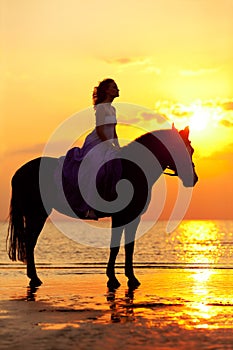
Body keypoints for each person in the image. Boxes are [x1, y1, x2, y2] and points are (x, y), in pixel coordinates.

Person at [60, 78, 122, 220]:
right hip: (96, 143)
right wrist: (109, 145)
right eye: (114, 87)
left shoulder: (113, 109)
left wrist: (118, 147)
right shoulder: (101, 108)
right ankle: (89, 208)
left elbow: (113, 130)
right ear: (106, 90)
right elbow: (100, 130)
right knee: (95, 167)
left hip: (108, 143)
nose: (117, 89)